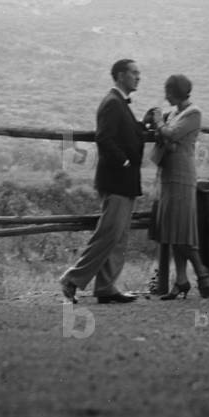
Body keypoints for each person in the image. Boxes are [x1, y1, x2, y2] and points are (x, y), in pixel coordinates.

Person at [59, 59, 146, 305]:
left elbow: (126, 134)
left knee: (119, 236)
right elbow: (104, 138)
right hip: (117, 179)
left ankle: (106, 287)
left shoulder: (119, 104)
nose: (138, 77)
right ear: (120, 76)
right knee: (109, 234)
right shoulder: (112, 103)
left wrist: (143, 124)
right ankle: (71, 280)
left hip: (125, 180)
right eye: (134, 73)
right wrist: (125, 163)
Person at [150, 74, 209, 300]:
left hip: (182, 175)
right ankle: (182, 280)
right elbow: (167, 138)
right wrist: (164, 132)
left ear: (175, 91)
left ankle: (201, 272)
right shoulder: (174, 113)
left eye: (167, 90)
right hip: (168, 174)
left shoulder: (194, 113)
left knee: (181, 227)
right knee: (174, 228)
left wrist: (160, 124)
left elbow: (172, 134)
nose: (164, 94)